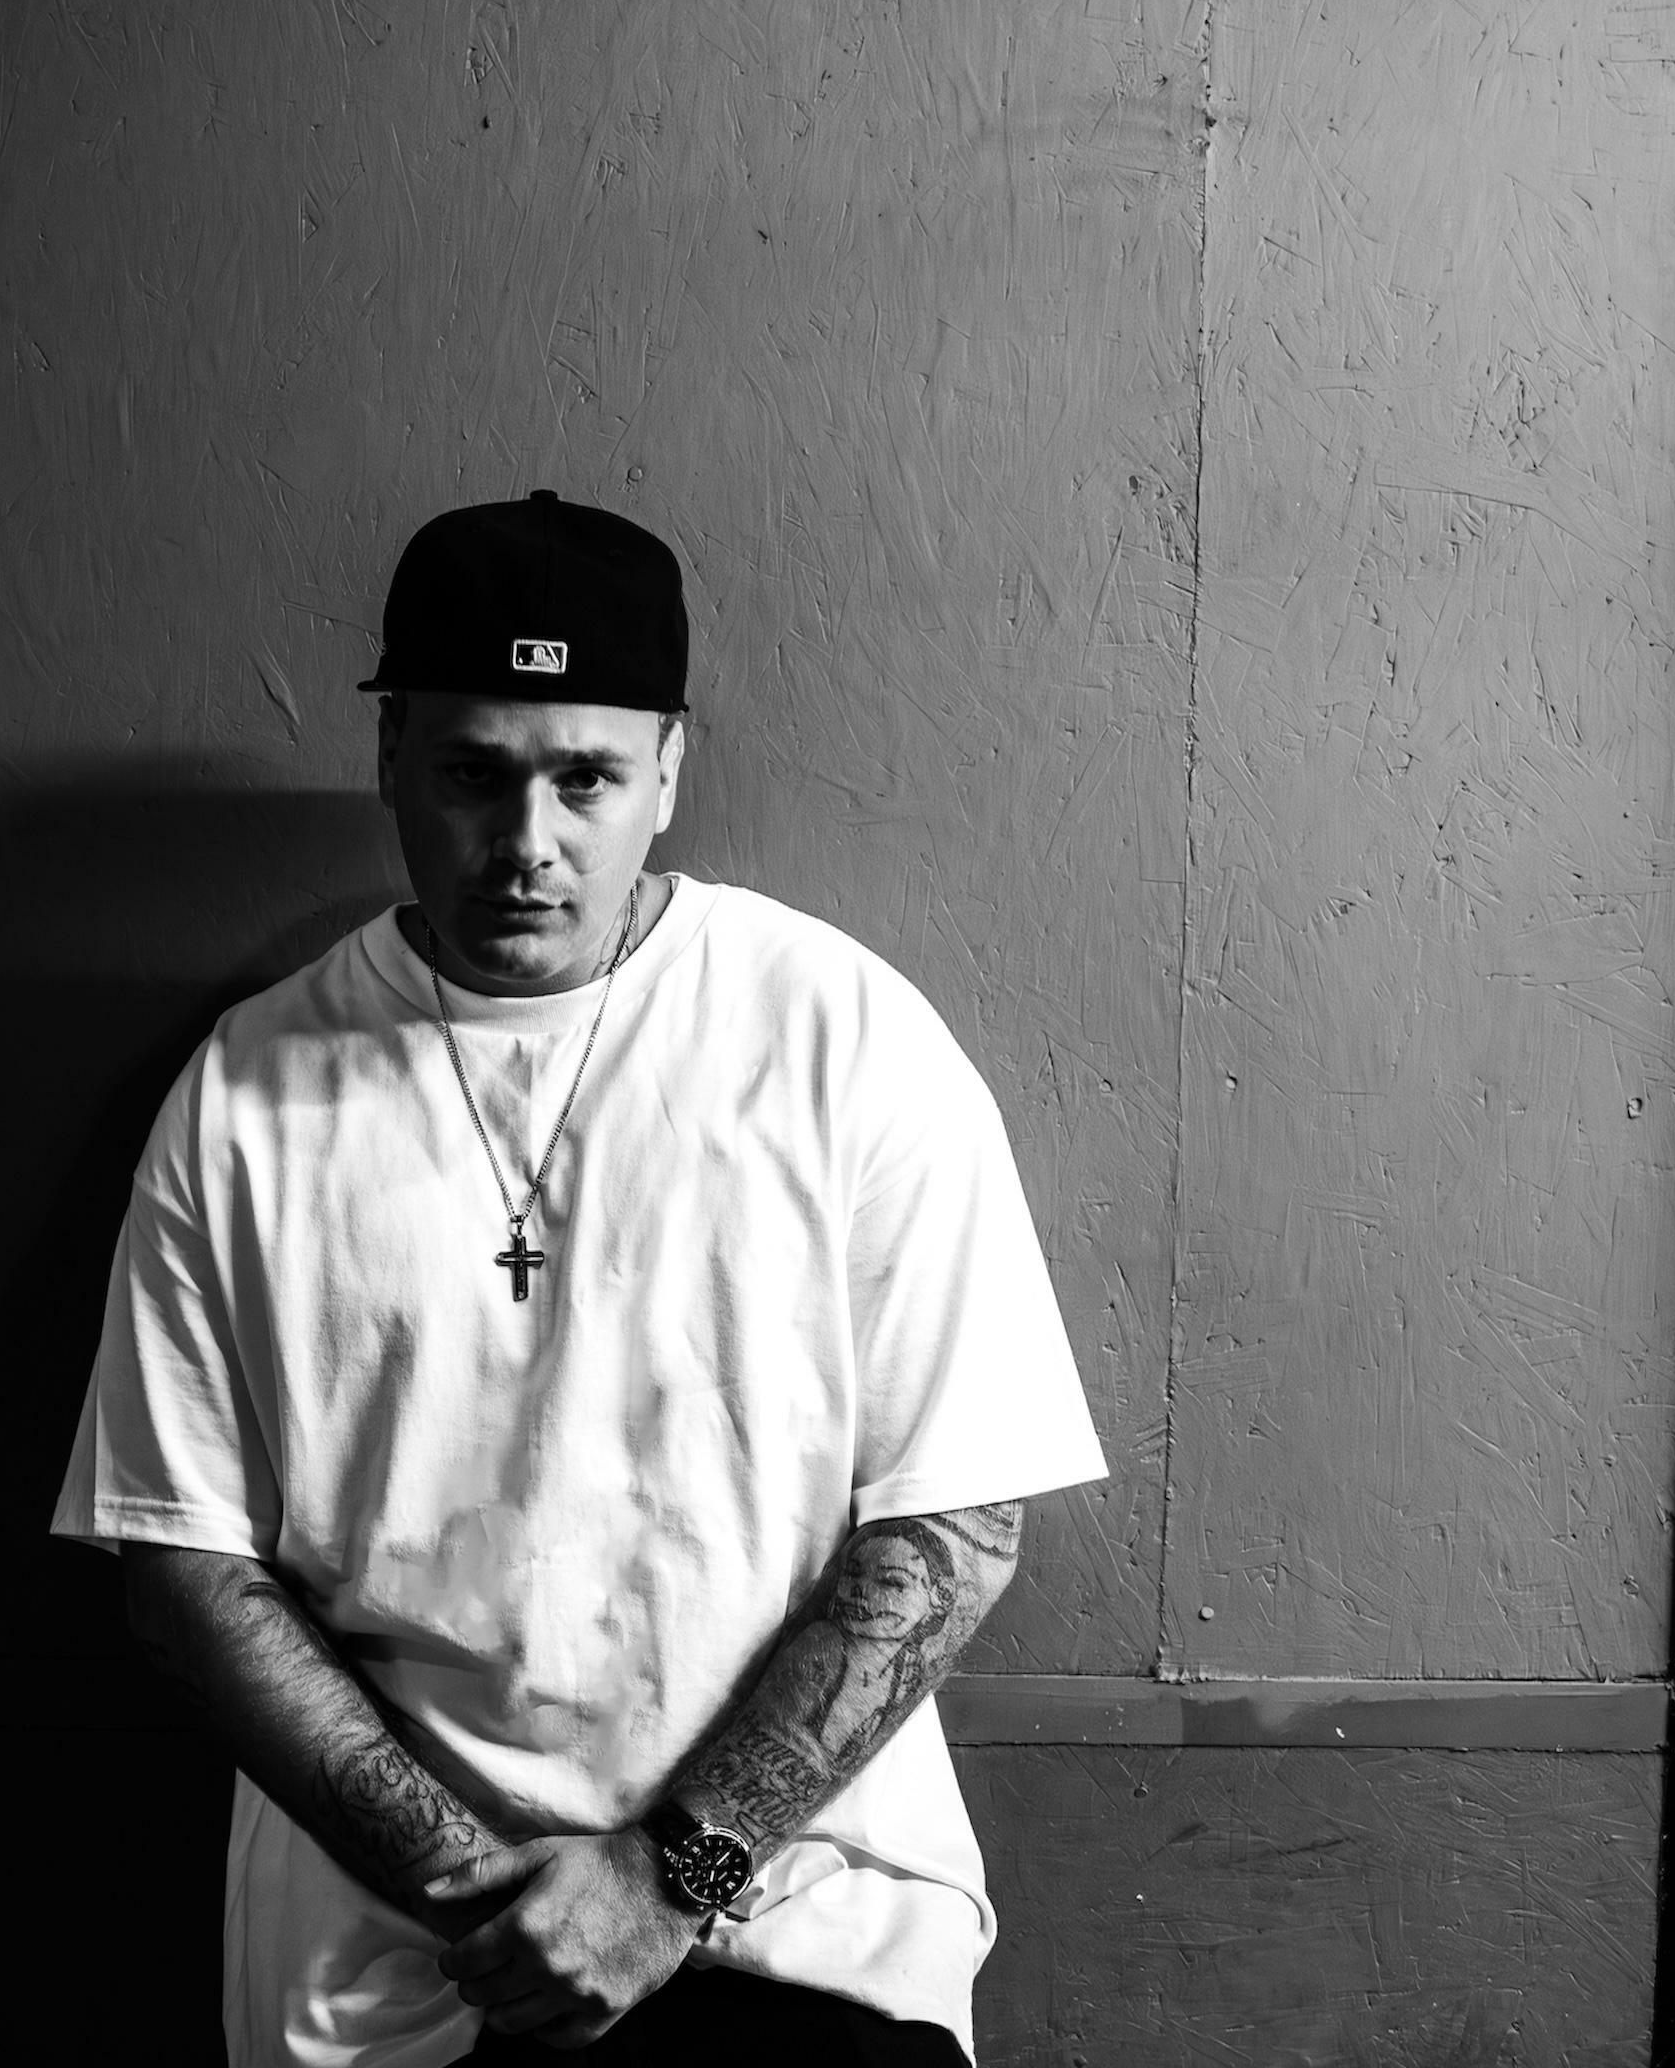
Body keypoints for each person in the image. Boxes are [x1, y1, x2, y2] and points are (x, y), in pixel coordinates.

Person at [55, 490, 1104, 2063]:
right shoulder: (248, 1090)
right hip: (400, 1968)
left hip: (800, 1931)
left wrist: (665, 1882)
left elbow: (954, 1527)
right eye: (474, 774)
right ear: (392, 755)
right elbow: (184, 1567)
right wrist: (489, 1897)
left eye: (587, 780)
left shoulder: (843, 1039)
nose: (526, 846)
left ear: (668, 771)